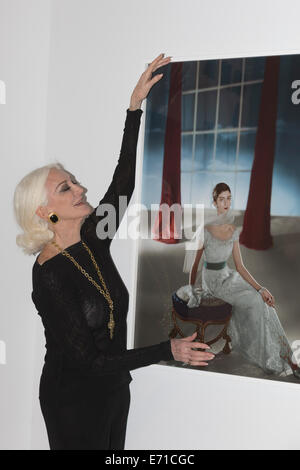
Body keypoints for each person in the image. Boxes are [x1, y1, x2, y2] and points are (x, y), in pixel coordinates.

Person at [13, 53, 215, 450]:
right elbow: (87, 361)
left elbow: (122, 183)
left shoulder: (93, 237)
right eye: (66, 188)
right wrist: (168, 349)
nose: (81, 189)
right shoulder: (49, 272)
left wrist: (133, 108)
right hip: (72, 398)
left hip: (113, 390)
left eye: (74, 181)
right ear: (44, 213)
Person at [180, 182, 300, 379]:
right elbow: (195, 266)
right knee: (254, 302)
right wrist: (194, 291)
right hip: (213, 281)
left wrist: (261, 288)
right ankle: (270, 359)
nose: (226, 203)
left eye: (229, 198)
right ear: (215, 202)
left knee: (263, 302)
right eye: (221, 199)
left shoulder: (233, 230)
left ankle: (290, 361)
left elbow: (240, 266)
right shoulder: (206, 229)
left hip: (229, 276)